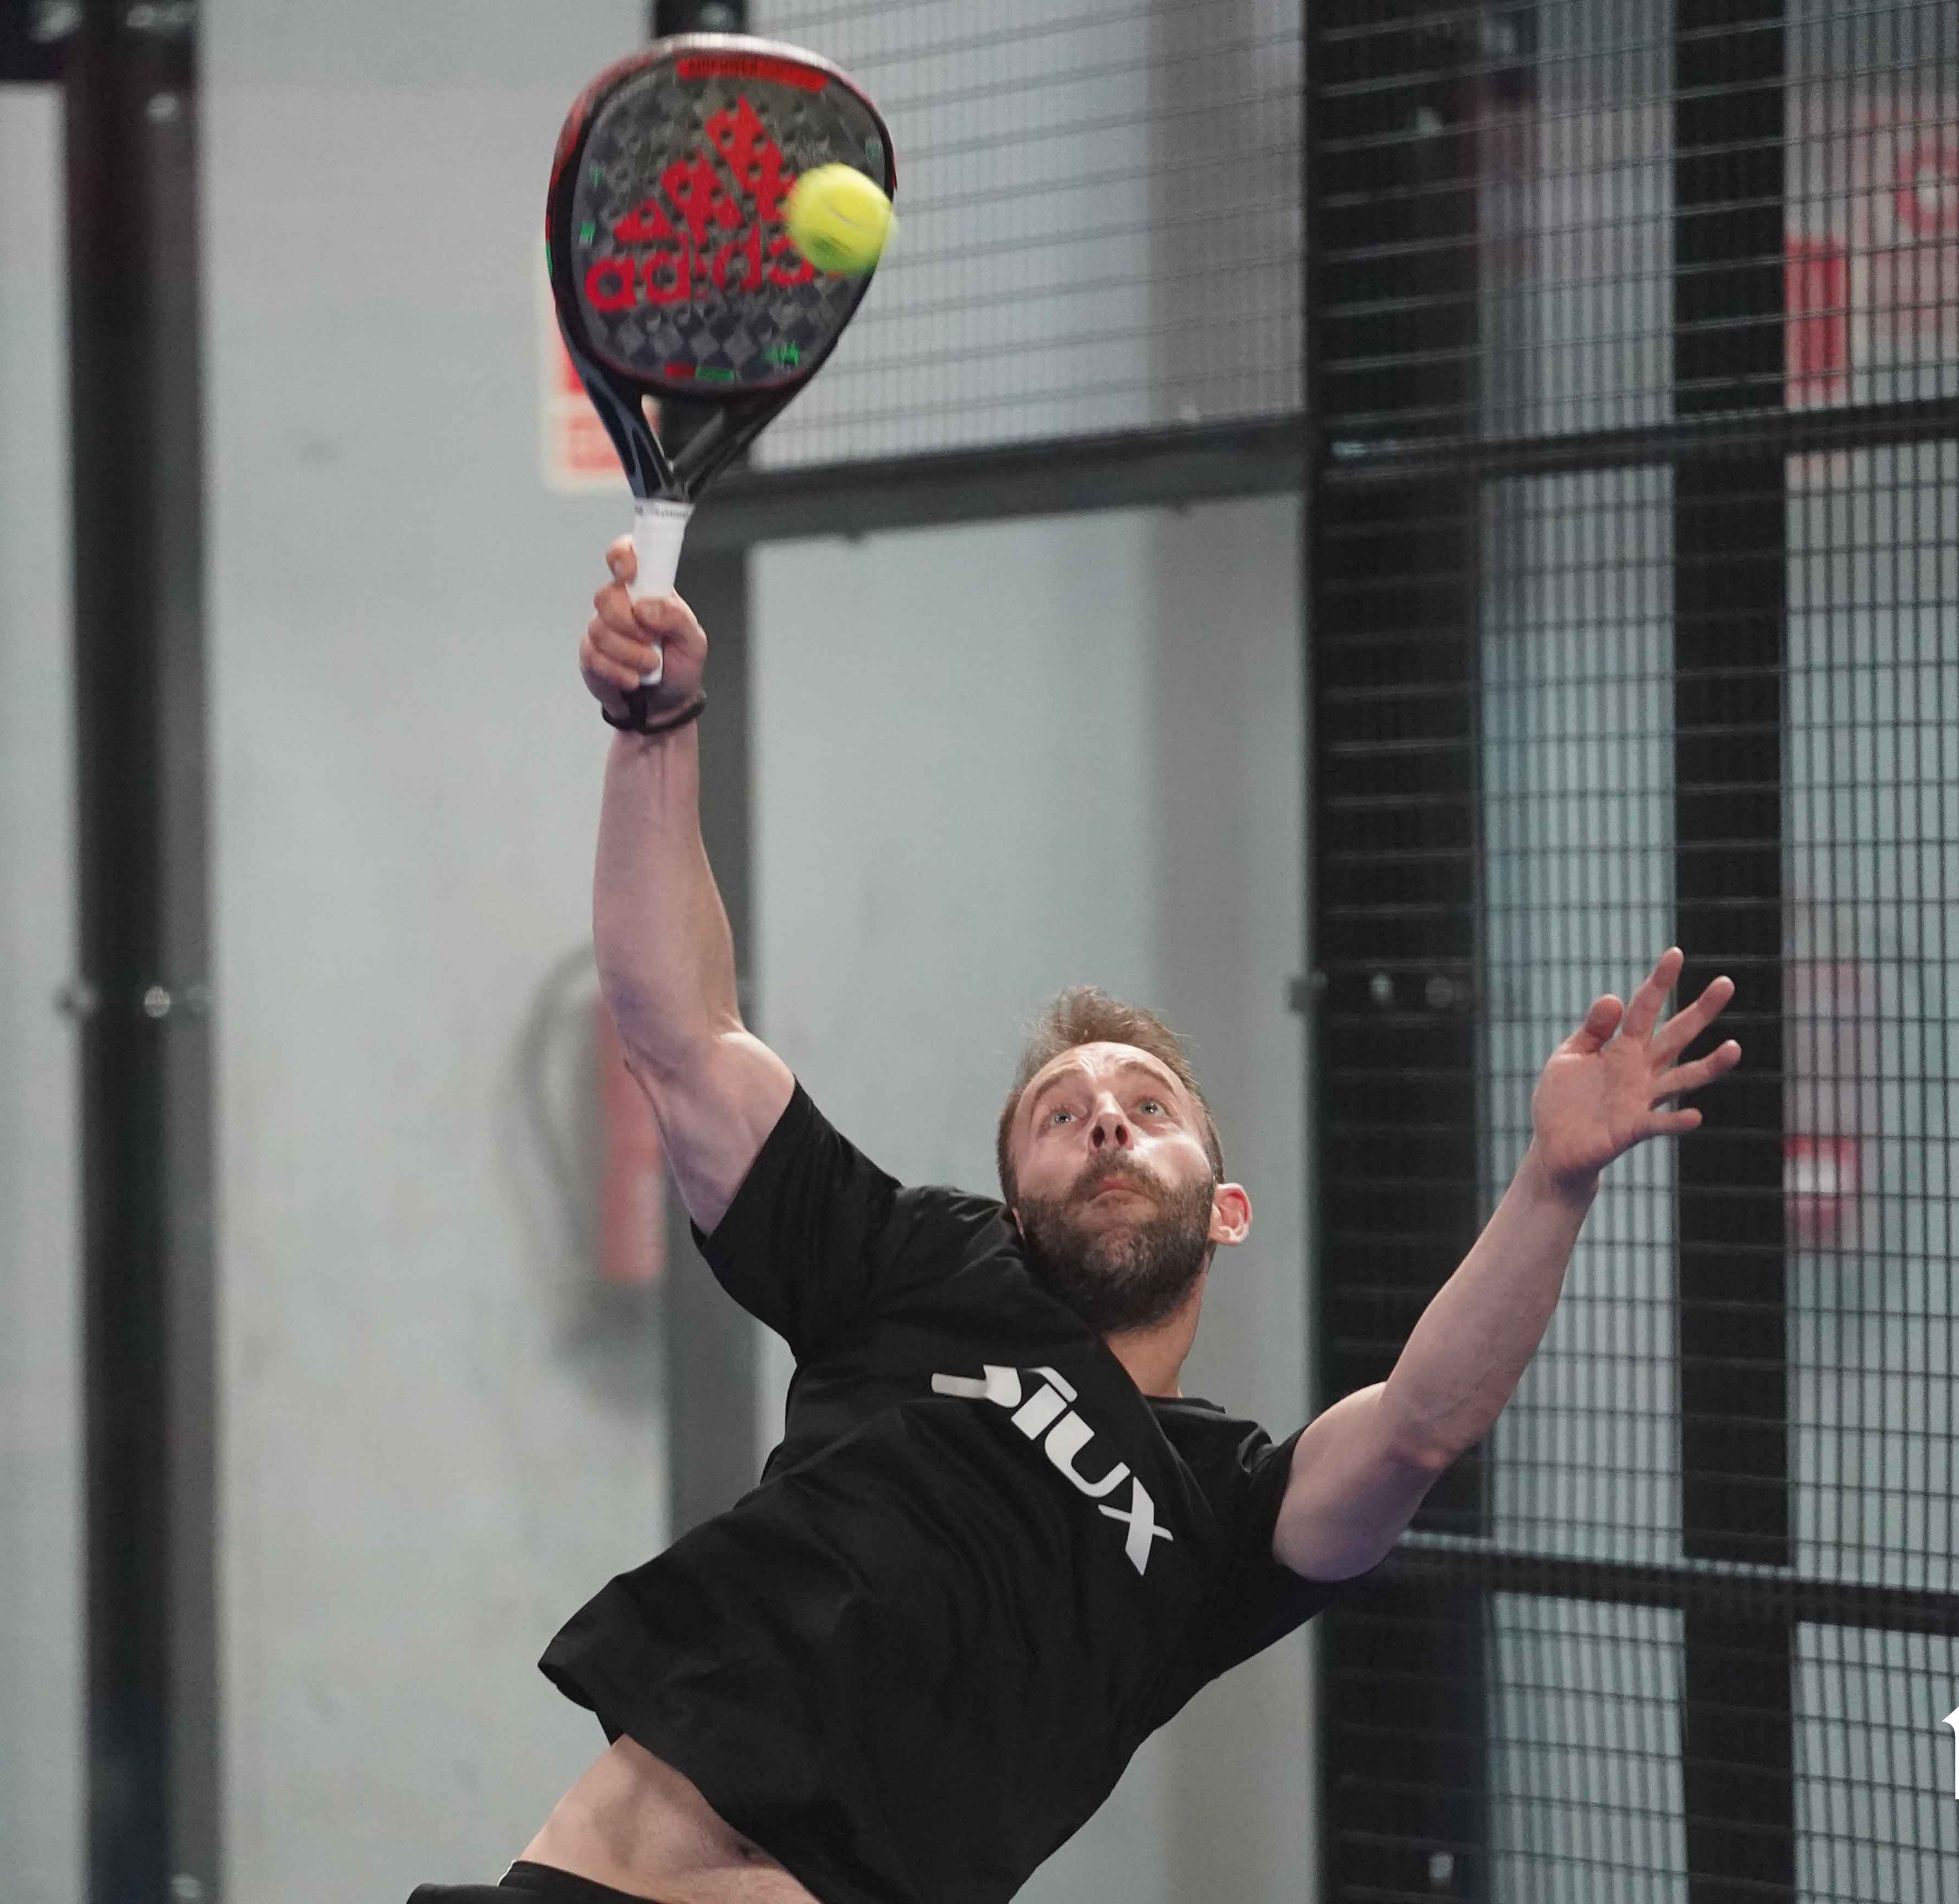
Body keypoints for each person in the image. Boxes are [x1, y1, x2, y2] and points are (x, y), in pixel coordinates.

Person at [408, 540, 1743, 1904]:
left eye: (1148, 1105)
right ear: (1013, 1203)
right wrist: (658, 730)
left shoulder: (1221, 1518)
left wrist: (1556, 1180)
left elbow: (1419, 1424)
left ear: (1226, 1209)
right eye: (1062, 1112)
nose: (1106, 1120)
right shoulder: (918, 1266)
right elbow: (686, 1037)